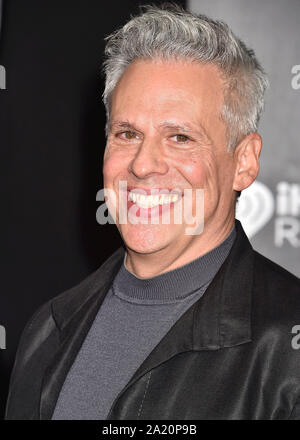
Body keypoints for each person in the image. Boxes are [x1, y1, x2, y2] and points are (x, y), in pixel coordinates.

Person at [5, 3, 300, 420]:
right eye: (127, 133)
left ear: (245, 162)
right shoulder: (49, 328)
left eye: (179, 137)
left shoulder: (288, 351)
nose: (143, 165)